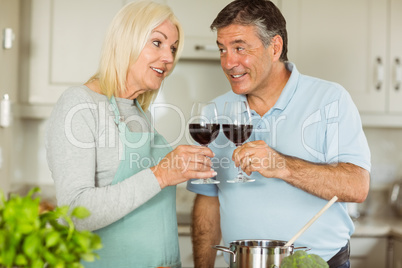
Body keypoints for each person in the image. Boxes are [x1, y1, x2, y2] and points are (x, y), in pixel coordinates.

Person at [187, 1, 370, 267]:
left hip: (319, 263)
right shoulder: (215, 111)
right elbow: (208, 200)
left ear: (275, 47)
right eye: (222, 50)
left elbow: (357, 186)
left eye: (239, 48)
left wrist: (282, 165)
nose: (228, 62)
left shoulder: (331, 99)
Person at [45, 1, 216, 267]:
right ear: (126, 41)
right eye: (157, 43)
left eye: (172, 48)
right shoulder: (79, 104)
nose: (169, 58)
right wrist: (161, 174)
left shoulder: (139, 111)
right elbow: (74, 213)